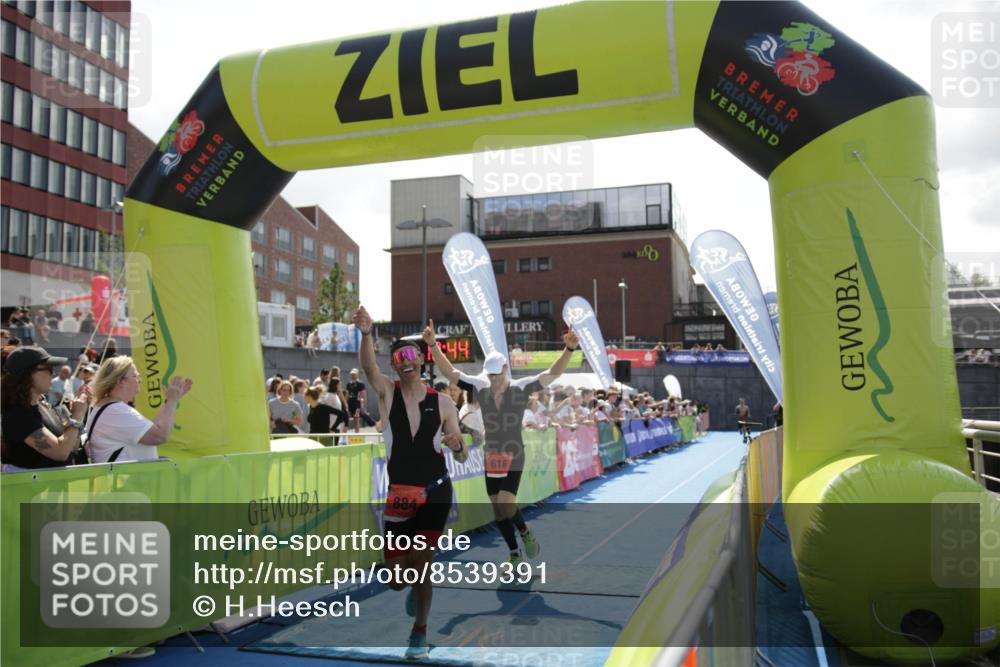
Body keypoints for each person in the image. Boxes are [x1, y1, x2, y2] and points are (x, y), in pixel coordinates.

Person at [352, 305, 467, 660]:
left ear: (421, 361)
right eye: (399, 358)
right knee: (396, 579)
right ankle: (413, 589)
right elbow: (368, 367)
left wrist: (458, 444)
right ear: (394, 365)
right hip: (400, 495)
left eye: (411, 357)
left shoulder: (443, 403)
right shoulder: (387, 393)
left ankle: (420, 632)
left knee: (422, 564)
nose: (406, 362)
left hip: (435, 491)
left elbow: (462, 454)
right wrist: (367, 334)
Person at [424, 318, 579, 565]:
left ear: (505, 369)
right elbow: (450, 372)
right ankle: (514, 553)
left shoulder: (521, 387)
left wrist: (569, 349)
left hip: (514, 453)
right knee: (497, 510)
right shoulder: (480, 386)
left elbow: (552, 374)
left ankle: (525, 532)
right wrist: (433, 345)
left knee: (507, 504)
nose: (494, 379)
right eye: (491, 375)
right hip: (491, 453)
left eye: (497, 375)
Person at [85, 356, 193, 463]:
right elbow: (160, 436)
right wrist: (172, 400)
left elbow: (152, 429)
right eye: (135, 376)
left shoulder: (110, 408)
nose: (140, 380)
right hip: (126, 474)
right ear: (120, 381)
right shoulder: (117, 411)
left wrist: (170, 400)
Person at [1, 346, 89, 471]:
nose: (53, 373)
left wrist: (75, 412)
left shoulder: (41, 405)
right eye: (48, 368)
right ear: (27, 374)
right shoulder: (19, 414)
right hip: (31, 484)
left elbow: (72, 446)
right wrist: (77, 415)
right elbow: (60, 452)